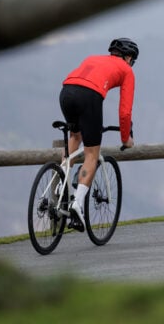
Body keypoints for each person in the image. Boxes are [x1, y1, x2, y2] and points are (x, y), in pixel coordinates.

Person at [58, 37, 137, 232]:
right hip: (89, 96)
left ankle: (62, 186)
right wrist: (125, 138)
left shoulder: (93, 57)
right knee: (92, 153)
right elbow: (125, 112)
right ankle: (77, 203)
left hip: (66, 91)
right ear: (128, 58)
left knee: (75, 137)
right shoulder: (127, 70)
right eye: (133, 60)